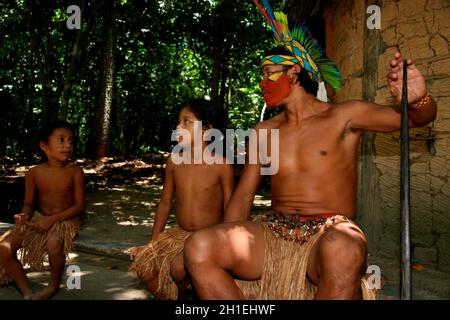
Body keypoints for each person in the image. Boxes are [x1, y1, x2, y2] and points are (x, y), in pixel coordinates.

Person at [182, 2, 437, 300]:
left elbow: (417, 119)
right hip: (274, 232)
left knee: (342, 247)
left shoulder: (344, 116)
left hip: (327, 236)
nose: (262, 82)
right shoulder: (265, 132)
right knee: (199, 247)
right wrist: (222, 240)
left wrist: (418, 99)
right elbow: (243, 195)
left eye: (269, 73)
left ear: (294, 72)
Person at [128, 99, 235, 300]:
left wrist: (226, 246)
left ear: (206, 130)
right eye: (178, 122)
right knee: (143, 266)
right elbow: (165, 204)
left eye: (187, 122)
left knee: (178, 268)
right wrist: (152, 244)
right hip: (180, 234)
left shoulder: (222, 166)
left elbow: (231, 209)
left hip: (209, 238)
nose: (178, 127)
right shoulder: (174, 162)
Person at [0, 120, 85, 300]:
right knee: (4, 247)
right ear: (44, 146)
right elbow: (29, 203)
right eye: (61, 140)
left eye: (71, 141)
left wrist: (52, 221)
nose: (67, 145)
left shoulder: (75, 172)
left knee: (53, 243)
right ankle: (26, 291)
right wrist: (25, 215)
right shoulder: (33, 173)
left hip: (65, 221)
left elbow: (79, 206)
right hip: (39, 219)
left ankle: (53, 287)